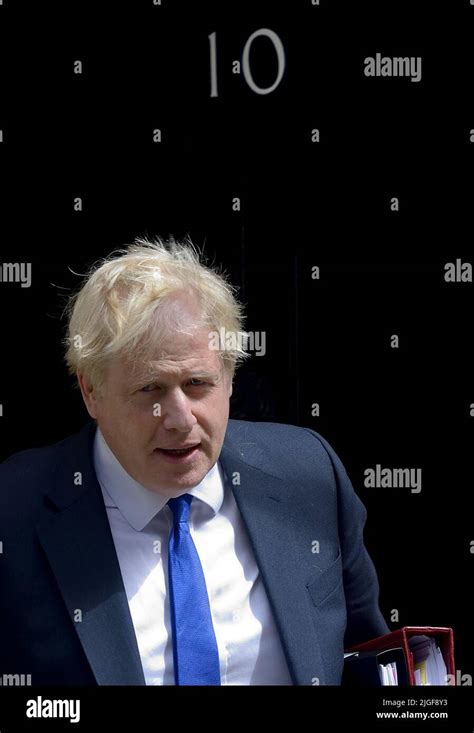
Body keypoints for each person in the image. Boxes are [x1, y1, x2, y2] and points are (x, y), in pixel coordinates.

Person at [0, 236, 389, 686]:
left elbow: (369, 658)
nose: (180, 419)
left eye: (198, 383)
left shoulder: (308, 473)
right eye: (150, 390)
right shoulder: (14, 512)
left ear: (229, 377)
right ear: (91, 391)